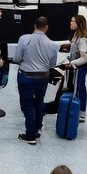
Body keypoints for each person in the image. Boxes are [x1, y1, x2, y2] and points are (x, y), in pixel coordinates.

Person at [11, 16, 60, 144]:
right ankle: (37, 128)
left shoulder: (24, 39)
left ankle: (30, 135)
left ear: (34, 26)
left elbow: (16, 58)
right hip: (43, 78)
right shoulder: (53, 45)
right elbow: (52, 64)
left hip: (26, 77)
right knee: (39, 101)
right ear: (46, 28)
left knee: (27, 105)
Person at [60, 14, 87, 123]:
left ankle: (78, 112)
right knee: (81, 87)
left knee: (77, 89)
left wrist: (72, 63)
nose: (71, 23)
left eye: (73, 21)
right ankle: (81, 112)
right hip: (77, 66)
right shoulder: (75, 36)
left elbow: (84, 58)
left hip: (80, 67)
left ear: (79, 24)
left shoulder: (82, 40)